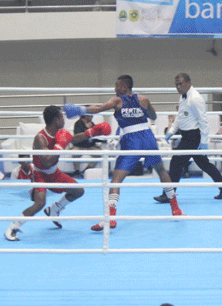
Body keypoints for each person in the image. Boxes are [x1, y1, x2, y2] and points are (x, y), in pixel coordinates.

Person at [64, 75, 184, 231]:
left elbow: (99, 108)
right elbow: (153, 116)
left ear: (125, 86)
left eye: (117, 85)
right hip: (147, 137)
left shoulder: (117, 101)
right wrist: (145, 110)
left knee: (116, 179)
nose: (115, 88)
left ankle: (111, 219)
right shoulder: (143, 100)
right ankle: (176, 209)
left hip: (132, 140)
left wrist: (80, 110)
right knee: (161, 170)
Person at [4, 106, 104, 241]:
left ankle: (55, 209)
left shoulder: (59, 132)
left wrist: (91, 132)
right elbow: (46, 162)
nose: (64, 119)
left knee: (78, 190)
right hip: (40, 174)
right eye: (61, 117)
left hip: (54, 173)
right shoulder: (41, 138)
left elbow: (72, 139)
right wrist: (59, 146)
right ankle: (12, 227)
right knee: (40, 203)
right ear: (56, 120)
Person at [155, 73, 222, 201]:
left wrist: (204, 141)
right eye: (176, 84)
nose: (178, 87)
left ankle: (168, 195)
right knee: (204, 164)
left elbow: (203, 121)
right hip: (187, 135)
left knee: (176, 162)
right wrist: (172, 130)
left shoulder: (195, 98)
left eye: (181, 84)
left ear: (189, 83)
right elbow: (180, 116)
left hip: (193, 136)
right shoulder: (183, 97)